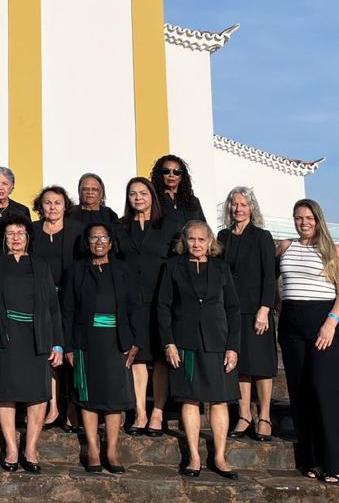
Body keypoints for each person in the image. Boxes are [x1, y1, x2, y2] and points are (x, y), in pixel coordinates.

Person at [0, 216, 64, 473]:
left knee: (37, 393)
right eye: (10, 233)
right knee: (6, 393)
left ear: (28, 237)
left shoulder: (41, 265)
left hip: (37, 337)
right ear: (4, 237)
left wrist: (57, 344)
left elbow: (53, 308)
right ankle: (11, 448)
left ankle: (31, 448)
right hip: (4, 334)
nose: (15, 237)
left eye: (20, 233)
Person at [276, 198, 339, 485]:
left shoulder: (334, 251)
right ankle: (310, 458)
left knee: (325, 391)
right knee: (301, 391)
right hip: (292, 324)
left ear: (318, 220)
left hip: (325, 321)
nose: (303, 222)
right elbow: (273, 283)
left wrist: (330, 323)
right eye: (298, 218)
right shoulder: (285, 247)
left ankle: (332, 462)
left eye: (308, 218)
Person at [158, 220, 242, 479]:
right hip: (185, 343)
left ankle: (219, 456)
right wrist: (168, 342)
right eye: (191, 239)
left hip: (218, 342)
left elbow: (233, 309)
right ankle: (194, 456)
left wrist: (233, 347)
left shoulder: (221, 268)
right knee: (190, 399)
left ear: (210, 242)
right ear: (185, 241)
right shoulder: (173, 266)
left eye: (201, 239)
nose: (196, 244)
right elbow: (163, 306)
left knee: (219, 400)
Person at [62, 221, 138, 474]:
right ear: (87, 243)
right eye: (93, 238)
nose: (98, 243)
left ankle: (112, 449)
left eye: (103, 238)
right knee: (89, 398)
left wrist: (135, 341)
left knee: (114, 399)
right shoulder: (76, 271)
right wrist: (69, 346)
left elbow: (134, 308)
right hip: (86, 342)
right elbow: (68, 311)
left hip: (117, 341)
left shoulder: (124, 271)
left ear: (111, 243)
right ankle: (93, 448)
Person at [113, 176, 177, 436]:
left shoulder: (168, 226)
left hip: (160, 299)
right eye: (132, 194)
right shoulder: (120, 227)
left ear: (152, 196)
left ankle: (158, 412)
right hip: (131, 300)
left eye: (143, 193)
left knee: (160, 358)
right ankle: (140, 411)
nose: (138, 198)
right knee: (137, 356)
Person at [217, 186, 278, 442]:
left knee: (261, 366)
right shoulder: (222, 236)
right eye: (234, 204)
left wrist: (265, 308)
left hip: (256, 310)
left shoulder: (262, 237)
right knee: (240, 366)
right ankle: (244, 415)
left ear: (251, 208)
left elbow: (269, 276)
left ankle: (264, 416)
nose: (238, 209)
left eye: (243, 204)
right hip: (231, 310)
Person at [31, 185, 83, 429]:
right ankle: (52, 407)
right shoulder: (32, 231)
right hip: (41, 301)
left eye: (57, 202)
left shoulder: (77, 232)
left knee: (69, 351)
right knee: (48, 353)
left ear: (65, 206)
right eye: (48, 202)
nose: (52, 207)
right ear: (41, 207)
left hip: (70, 300)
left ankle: (71, 407)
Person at [150, 154, 206, 231]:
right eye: (166, 171)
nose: (171, 175)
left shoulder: (193, 201)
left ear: (181, 177)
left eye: (176, 172)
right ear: (160, 174)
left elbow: (203, 228)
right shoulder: (152, 200)